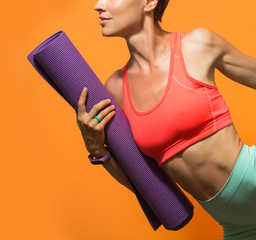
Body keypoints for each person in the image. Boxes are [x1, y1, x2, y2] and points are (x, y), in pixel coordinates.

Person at [76, 0, 256, 239]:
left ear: (149, 2)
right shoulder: (117, 89)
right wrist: (96, 148)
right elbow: (145, 185)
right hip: (237, 225)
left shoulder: (197, 45)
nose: (98, 5)